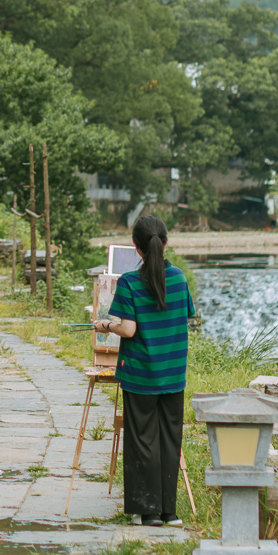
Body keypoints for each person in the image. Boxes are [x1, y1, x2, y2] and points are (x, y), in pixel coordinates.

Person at [92, 214, 193, 527]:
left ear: (136, 247)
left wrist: (106, 324)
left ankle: (146, 513)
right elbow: (186, 315)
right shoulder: (178, 278)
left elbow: (130, 330)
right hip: (173, 374)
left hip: (140, 375)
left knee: (142, 441)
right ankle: (170, 513)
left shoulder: (130, 282)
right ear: (166, 242)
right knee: (169, 440)